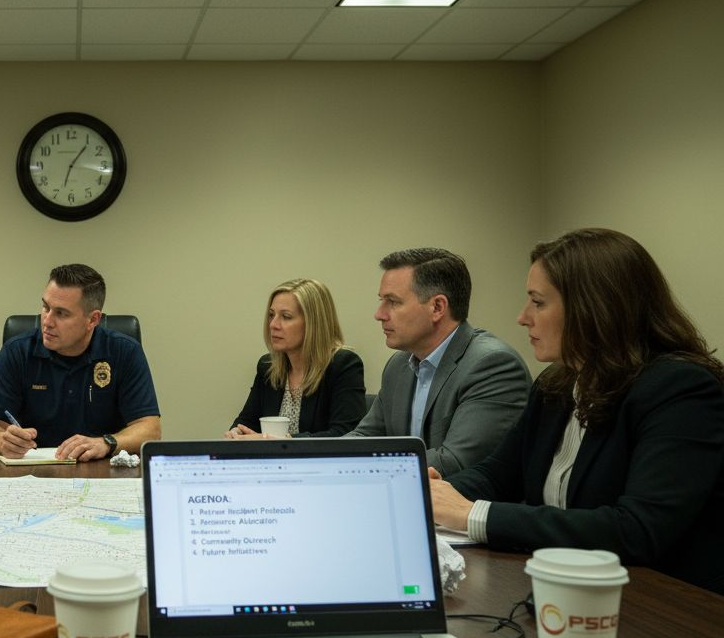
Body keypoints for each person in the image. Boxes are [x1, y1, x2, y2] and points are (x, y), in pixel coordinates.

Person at [431, 229, 724, 594]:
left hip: (668, 610)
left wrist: (473, 514)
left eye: (538, 302)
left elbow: (636, 530)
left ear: (594, 309)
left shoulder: (681, 390)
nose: (523, 318)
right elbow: (498, 474)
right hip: (569, 592)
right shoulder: (556, 384)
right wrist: (430, 496)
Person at [347, 247, 530, 475]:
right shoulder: (398, 365)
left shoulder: (493, 366)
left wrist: (355, 470)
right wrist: (310, 458)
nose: (379, 314)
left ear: (437, 307)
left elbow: (454, 462)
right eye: (381, 301)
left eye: (392, 302)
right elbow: (364, 437)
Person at [0, 264, 161, 461]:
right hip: (34, 470)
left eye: (61, 313)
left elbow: (150, 430)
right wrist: (1, 440)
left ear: (93, 319)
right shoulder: (18, 351)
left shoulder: (125, 351)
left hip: (101, 469)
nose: (47, 321)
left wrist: (106, 443)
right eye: (46, 307)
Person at [225, 278, 365, 438]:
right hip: (271, 463)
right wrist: (236, 433)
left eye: (286, 316)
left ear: (314, 323)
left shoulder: (343, 365)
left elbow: (345, 435)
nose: (273, 324)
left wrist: (281, 442)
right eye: (272, 315)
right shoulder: (268, 366)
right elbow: (247, 421)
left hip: (320, 463)